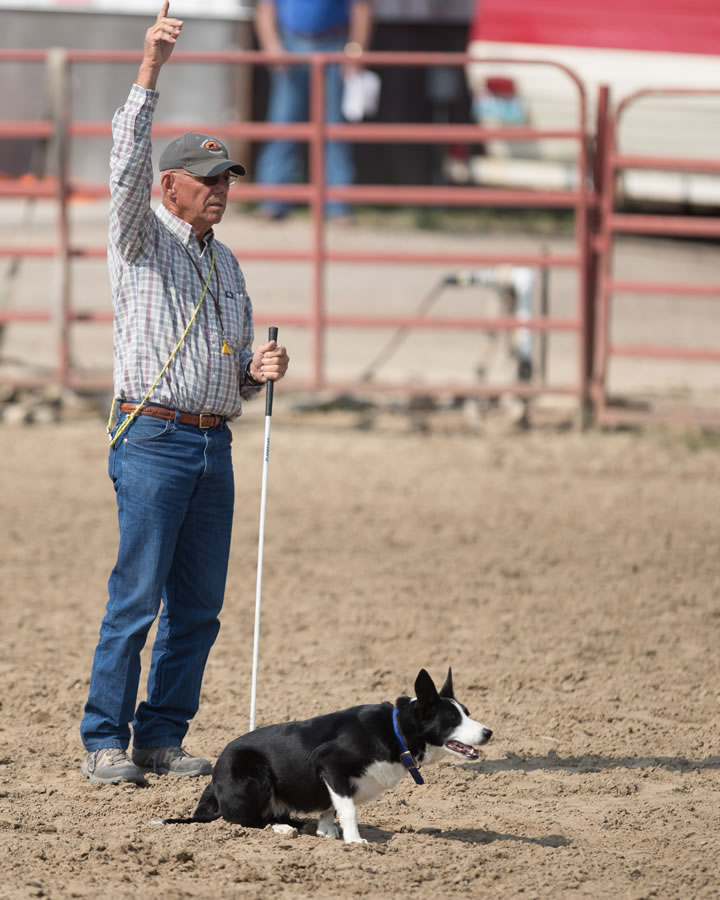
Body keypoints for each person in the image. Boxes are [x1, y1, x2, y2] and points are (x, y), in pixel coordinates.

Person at [79, 1, 289, 786]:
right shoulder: (137, 239)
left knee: (197, 608)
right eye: (206, 181)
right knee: (136, 598)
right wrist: (150, 69)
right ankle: (105, 739)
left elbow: (226, 362)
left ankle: (160, 737)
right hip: (154, 440)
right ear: (170, 186)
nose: (219, 191)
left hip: (213, 438)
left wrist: (255, 372)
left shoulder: (227, 265)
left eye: (226, 178)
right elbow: (125, 161)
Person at [254, 0, 373, 222]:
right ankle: (272, 202)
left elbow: (362, 8)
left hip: (335, 45)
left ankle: (338, 205)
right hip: (290, 45)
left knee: (334, 129)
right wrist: (272, 46)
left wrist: (355, 53)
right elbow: (265, 8)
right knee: (282, 126)